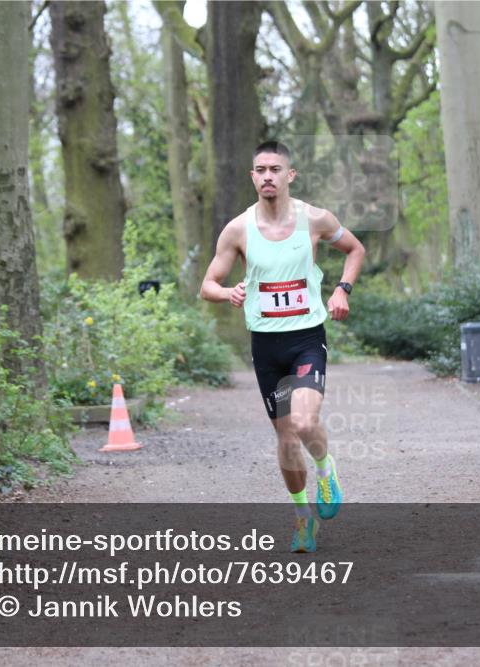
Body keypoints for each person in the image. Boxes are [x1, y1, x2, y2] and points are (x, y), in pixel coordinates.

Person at [199, 140, 365, 553]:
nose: (268, 175)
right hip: (266, 348)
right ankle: (302, 518)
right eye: (261, 169)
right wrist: (228, 294)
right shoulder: (238, 230)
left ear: (290, 175)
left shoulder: (315, 219)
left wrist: (342, 290)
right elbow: (207, 285)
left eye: (276, 168)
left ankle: (326, 474)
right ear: (252, 177)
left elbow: (355, 249)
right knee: (287, 438)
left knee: (306, 423)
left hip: (306, 339)